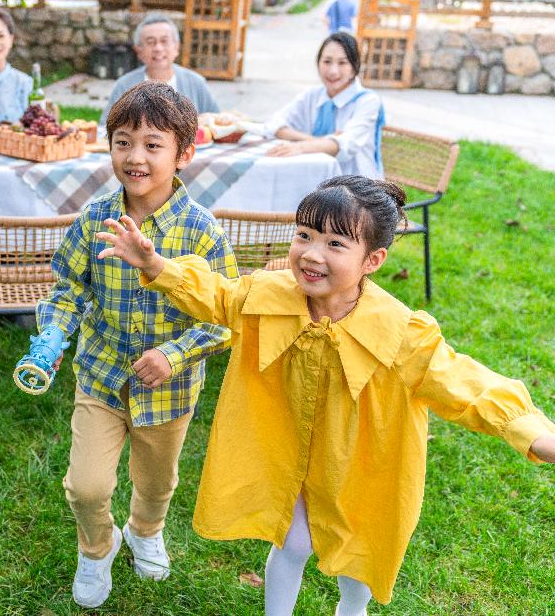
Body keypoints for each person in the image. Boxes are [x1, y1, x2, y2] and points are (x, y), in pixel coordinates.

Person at [96, 175, 555, 615]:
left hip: (363, 458)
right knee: (292, 541)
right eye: (305, 235)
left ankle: (352, 609)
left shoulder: (399, 333)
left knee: (358, 552)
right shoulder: (269, 293)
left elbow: (463, 380)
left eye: (336, 244)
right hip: (290, 442)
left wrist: (530, 431)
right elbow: (218, 296)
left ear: (372, 260)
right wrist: (156, 265)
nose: (313, 254)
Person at [36, 81, 238, 609]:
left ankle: (145, 531)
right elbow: (68, 287)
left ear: (184, 155)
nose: (135, 156)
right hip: (101, 376)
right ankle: (97, 547)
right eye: (123, 142)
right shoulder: (95, 219)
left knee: (155, 483)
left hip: (169, 392)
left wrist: (172, 356)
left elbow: (226, 315)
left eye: (153, 144)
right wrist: (54, 332)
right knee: (86, 487)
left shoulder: (201, 232)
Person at [261, 32, 385, 179]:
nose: (333, 71)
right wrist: (316, 141)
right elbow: (273, 124)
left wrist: (300, 146)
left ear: (354, 67)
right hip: (314, 181)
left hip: (358, 189)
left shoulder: (368, 101)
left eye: (342, 63)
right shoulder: (312, 95)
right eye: (327, 61)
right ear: (318, 63)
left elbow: (345, 146)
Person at [99, 13, 220, 129]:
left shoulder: (196, 83)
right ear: (138, 51)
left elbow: (217, 122)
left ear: (176, 47)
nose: (158, 48)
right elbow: (106, 128)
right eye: (151, 42)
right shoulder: (124, 85)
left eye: (164, 41)